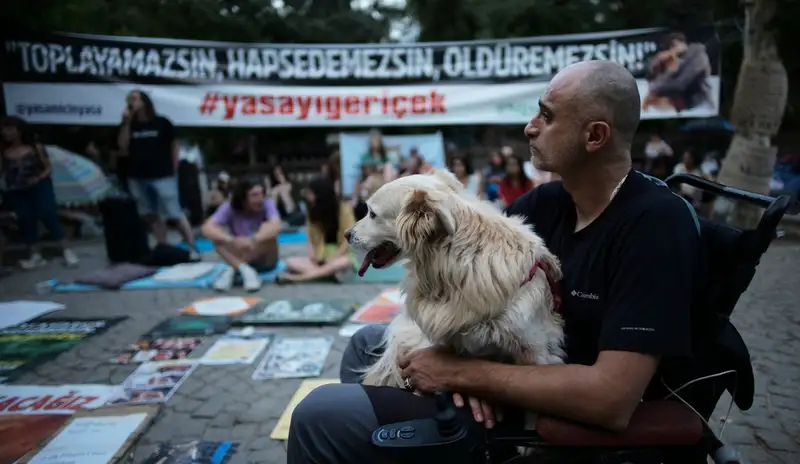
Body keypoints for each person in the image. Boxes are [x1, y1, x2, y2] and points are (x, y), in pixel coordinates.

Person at [287, 60, 701, 463]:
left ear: (594, 136)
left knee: (318, 415)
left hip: (544, 418)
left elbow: (611, 399)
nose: (530, 127)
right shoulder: (550, 203)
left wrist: (459, 374)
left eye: (547, 115)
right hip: (497, 376)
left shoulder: (656, 226)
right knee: (363, 344)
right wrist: (462, 365)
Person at [117, 90, 198, 259]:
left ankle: (192, 247)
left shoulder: (162, 122)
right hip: (137, 176)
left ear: (144, 101)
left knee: (174, 213)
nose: (131, 101)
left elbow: (174, 145)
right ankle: (163, 247)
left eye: (135, 98)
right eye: (129, 99)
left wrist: (174, 168)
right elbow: (123, 147)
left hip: (163, 175)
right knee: (150, 214)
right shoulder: (129, 125)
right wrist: (126, 122)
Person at [0, 117, 79, 269]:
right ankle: (35, 254)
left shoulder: (35, 147)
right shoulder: (3, 151)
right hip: (16, 189)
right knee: (26, 218)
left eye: (10, 128)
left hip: (39, 186)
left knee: (48, 214)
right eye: (4, 129)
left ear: (19, 130)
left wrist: (38, 178)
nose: (6, 132)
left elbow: (48, 167)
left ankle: (66, 250)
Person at [201, 177, 281, 292]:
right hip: (239, 250)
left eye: (262, 193)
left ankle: (234, 268)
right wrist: (230, 240)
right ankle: (245, 270)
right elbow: (207, 228)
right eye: (254, 195)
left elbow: (276, 225)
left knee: (268, 230)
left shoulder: (267, 203)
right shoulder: (230, 207)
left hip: (264, 258)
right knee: (217, 238)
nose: (260, 198)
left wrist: (254, 239)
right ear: (243, 198)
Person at [278, 177, 356, 283]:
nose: (307, 195)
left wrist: (334, 257)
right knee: (290, 262)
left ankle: (298, 278)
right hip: (321, 258)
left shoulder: (344, 209)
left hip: (342, 256)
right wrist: (313, 254)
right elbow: (310, 239)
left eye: (310, 193)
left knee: (344, 262)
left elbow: (349, 240)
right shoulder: (312, 212)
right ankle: (326, 274)